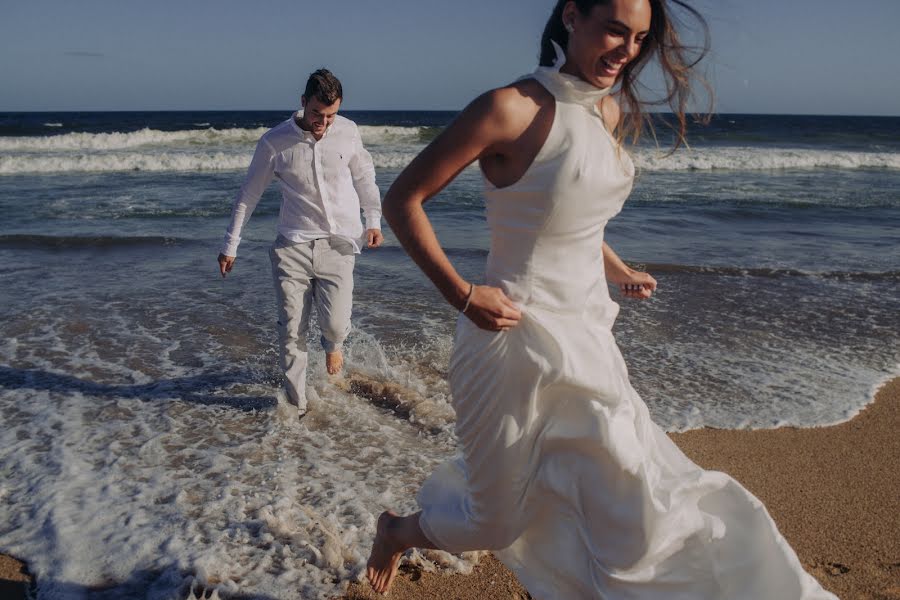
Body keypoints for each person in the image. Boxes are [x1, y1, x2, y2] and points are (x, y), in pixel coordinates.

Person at [366, 1, 838, 598]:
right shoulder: (508, 108)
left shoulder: (606, 111)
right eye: (615, 29)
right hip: (510, 339)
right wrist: (462, 295)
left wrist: (615, 268)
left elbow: (573, 217)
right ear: (572, 16)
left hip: (587, 335)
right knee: (495, 522)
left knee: (631, 488)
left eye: (639, 38)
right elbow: (402, 200)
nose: (627, 49)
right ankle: (397, 531)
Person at [218, 68, 383, 417]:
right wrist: (231, 244)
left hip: (339, 244)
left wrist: (372, 220)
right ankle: (298, 406)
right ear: (302, 102)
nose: (324, 122)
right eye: (317, 114)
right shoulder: (274, 142)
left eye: (331, 115)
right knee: (292, 329)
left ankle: (334, 344)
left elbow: (365, 177)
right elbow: (249, 195)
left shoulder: (348, 132)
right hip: (292, 246)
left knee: (336, 324)